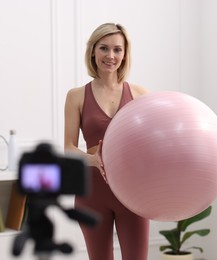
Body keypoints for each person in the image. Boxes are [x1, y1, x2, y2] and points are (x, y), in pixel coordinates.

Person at [64, 23, 150, 260]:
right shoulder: (76, 96)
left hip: (132, 192)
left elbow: (159, 139)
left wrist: (210, 140)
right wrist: (93, 159)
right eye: (104, 48)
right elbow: (68, 148)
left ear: (125, 54)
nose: (110, 56)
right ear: (93, 51)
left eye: (117, 50)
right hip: (93, 193)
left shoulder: (140, 94)